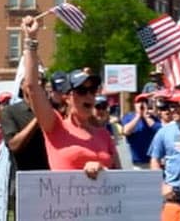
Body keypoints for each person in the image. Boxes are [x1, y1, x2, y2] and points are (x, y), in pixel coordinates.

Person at [20, 16, 117, 177]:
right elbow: (32, 87)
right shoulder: (55, 125)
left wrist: (102, 169)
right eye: (81, 91)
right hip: (65, 201)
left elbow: (120, 176)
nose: (88, 96)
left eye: (92, 90)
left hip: (103, 201)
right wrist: (30, 40)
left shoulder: (103, 134)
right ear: (67, 97)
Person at [121, 93, 161, 169]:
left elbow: (159, 130)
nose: (142, 104)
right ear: (135, 105)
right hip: (135, 162)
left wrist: (146, 116)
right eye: (139, 102)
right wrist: (138, 116)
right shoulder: (129, 117)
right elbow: (126, 131)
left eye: (144, 102)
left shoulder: (152, 118)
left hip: (151, 161)